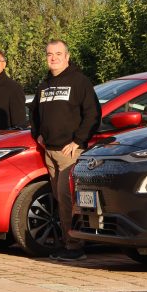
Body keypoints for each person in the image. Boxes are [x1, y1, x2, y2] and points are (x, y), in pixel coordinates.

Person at [30, 39, 99, 262]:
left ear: (67, 57)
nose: (54, 58)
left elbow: (93, 114)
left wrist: (79, 141)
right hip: (49, 152)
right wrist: (38, 134)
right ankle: (67, 243)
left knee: (67, 198)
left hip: (70, 153)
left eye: (58, 54)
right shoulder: (44, 85)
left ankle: (76, 246)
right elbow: (35, 116)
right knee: (60, 200)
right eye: (50, 54)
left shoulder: (79, 82)